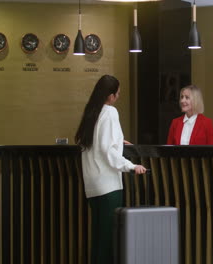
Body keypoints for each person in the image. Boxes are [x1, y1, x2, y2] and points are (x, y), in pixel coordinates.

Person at [74, 75, 146, 264]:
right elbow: (108, 151)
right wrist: (131, 166)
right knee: (108, 241)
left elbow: (97, 143)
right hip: (108, 186)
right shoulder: (110, 112)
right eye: (118, 92)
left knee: (98, 239)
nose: (119, 95)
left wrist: (117, 140)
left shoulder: (92, 112)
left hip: (92, 186)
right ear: (111, 96)